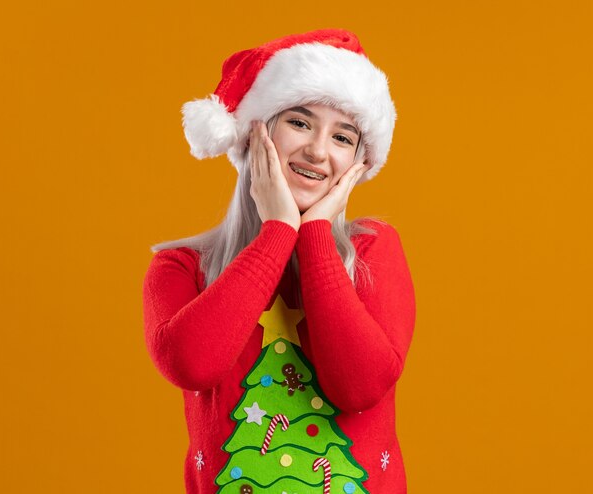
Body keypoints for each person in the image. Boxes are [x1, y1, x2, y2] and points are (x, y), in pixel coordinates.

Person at [142, 29, 416, 494]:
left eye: (343, 136)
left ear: (357, 162)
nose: (317, 151)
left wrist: (314, 237)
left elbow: (360, 387)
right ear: (257, 132)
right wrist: (277, 233)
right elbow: (192, 365)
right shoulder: (181, 266)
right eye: (300, 122)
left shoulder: (373, 250)